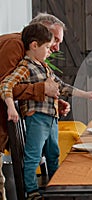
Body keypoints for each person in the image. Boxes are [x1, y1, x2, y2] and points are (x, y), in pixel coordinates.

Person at [0, 22, 92, 199]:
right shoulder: (25, 66)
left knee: (54, 154)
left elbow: (61, 86)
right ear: (34, 45)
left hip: (51, 119)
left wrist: (86, 94)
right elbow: (6, 85)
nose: (51, 50)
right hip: (36, 118)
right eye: (48, 46)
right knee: (33, 156)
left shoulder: (44, 67)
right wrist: (10, 106)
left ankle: (57, 186)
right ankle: (31, 191)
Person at [0, 13, 71, 199]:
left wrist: (50, 98)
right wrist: (41, 89)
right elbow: (4, 86)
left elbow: (20, 87)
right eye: (54, 40)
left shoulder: (31, 57)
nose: (56, 48)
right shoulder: (15, 44)